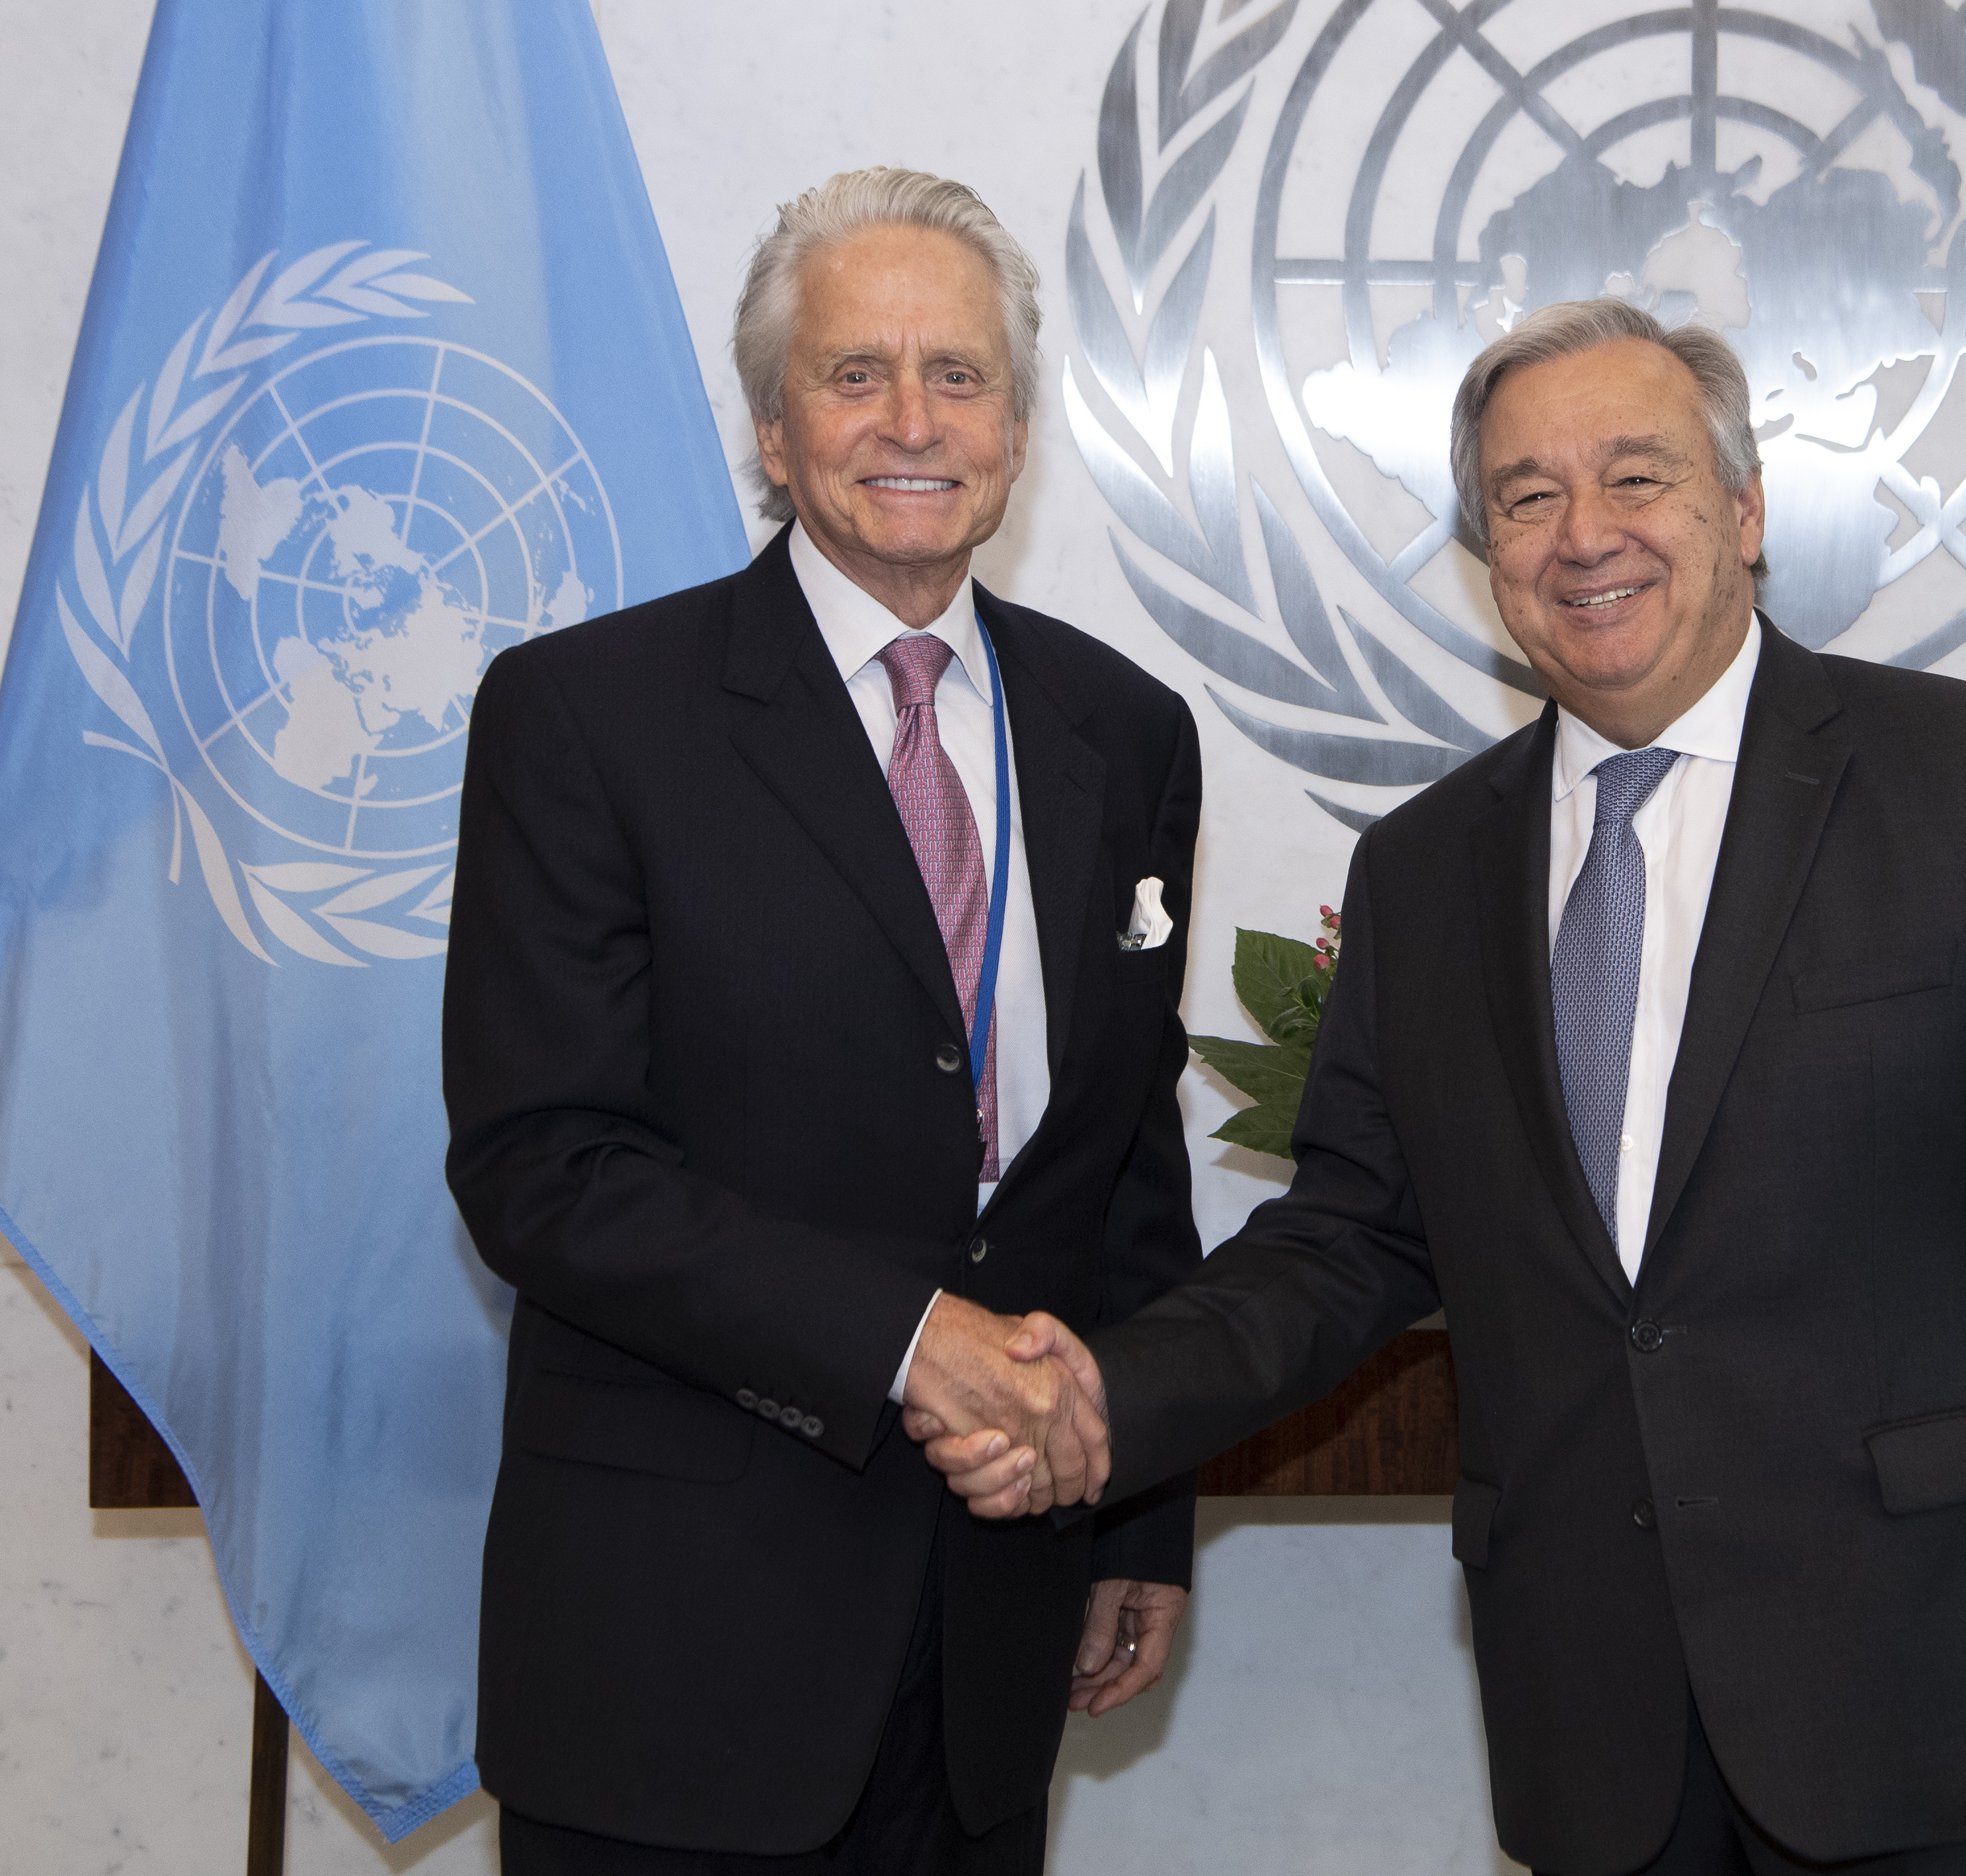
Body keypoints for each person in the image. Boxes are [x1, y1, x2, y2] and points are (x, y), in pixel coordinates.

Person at [933, 297, 1966, 1875]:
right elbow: (1345, 1238)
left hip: (1942, 1707)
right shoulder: (1421, 871)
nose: (1581, 534)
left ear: (1740, 512)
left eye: (1637, 477)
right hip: (1599, 1730)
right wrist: (1099, 1397)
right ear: (1487, 559)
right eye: (1526, 498)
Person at [443, 168, 1201, 1873]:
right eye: (854, 376)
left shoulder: (1125, 730)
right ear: (774, 434)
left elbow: (1118, 1152)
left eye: (960, 376)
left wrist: (1135, 1508)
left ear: (1016, 425)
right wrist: (901, 1335)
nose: (911, 420)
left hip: (995, 1643)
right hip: (675, 1661)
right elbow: (541, 1165)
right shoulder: (586, 716)